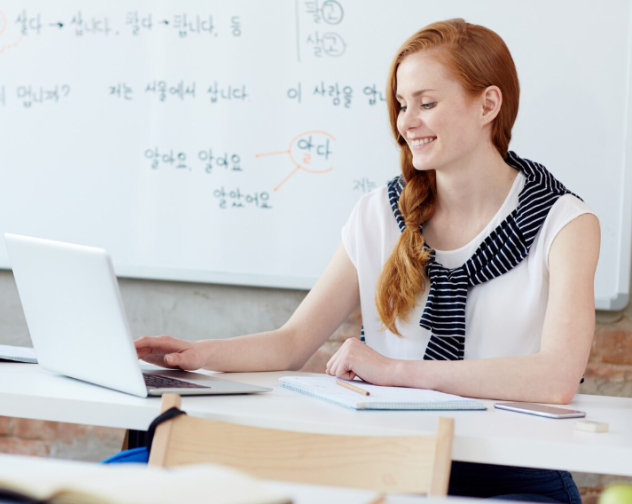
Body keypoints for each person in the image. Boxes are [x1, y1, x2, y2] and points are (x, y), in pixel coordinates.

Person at [135, 19, 598, 504]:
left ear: (488, 105)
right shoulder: (379, 213)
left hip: (514, 478)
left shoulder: (566, 223)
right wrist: (198, 355)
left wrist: (397, 372)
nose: (406, 122)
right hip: (386, 468)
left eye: (427, 103)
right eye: (401, 105)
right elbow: (292, 343)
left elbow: (556, 378)